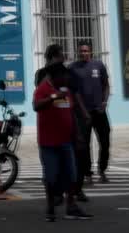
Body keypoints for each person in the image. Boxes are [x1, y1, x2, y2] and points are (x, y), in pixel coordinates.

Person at [32, 44, 93, 222]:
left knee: (72, 175)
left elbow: (70, 110)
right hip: (48, 143)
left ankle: (71, 206)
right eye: (62, 77)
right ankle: (50, 208)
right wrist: (53, 97)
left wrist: (79, 133)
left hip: (66, 140)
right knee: (51, 177)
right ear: (54, 76)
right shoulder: (43, 87)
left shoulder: (65, 90)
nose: (66, 80)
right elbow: (36, 106)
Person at [69, 43, 113, 187]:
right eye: (81, 51)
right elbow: (73, 92)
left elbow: (106, 85)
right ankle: (87, 174)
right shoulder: (73, 68)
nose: (83, 53)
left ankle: (102, 170)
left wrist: (105, 102)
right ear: (78, 52)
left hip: (99, 111)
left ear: (91, 52)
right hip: (82, 114)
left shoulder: (99, 65)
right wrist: (82, 111)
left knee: (105, 142)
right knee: (84, 146)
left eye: (86, 51)